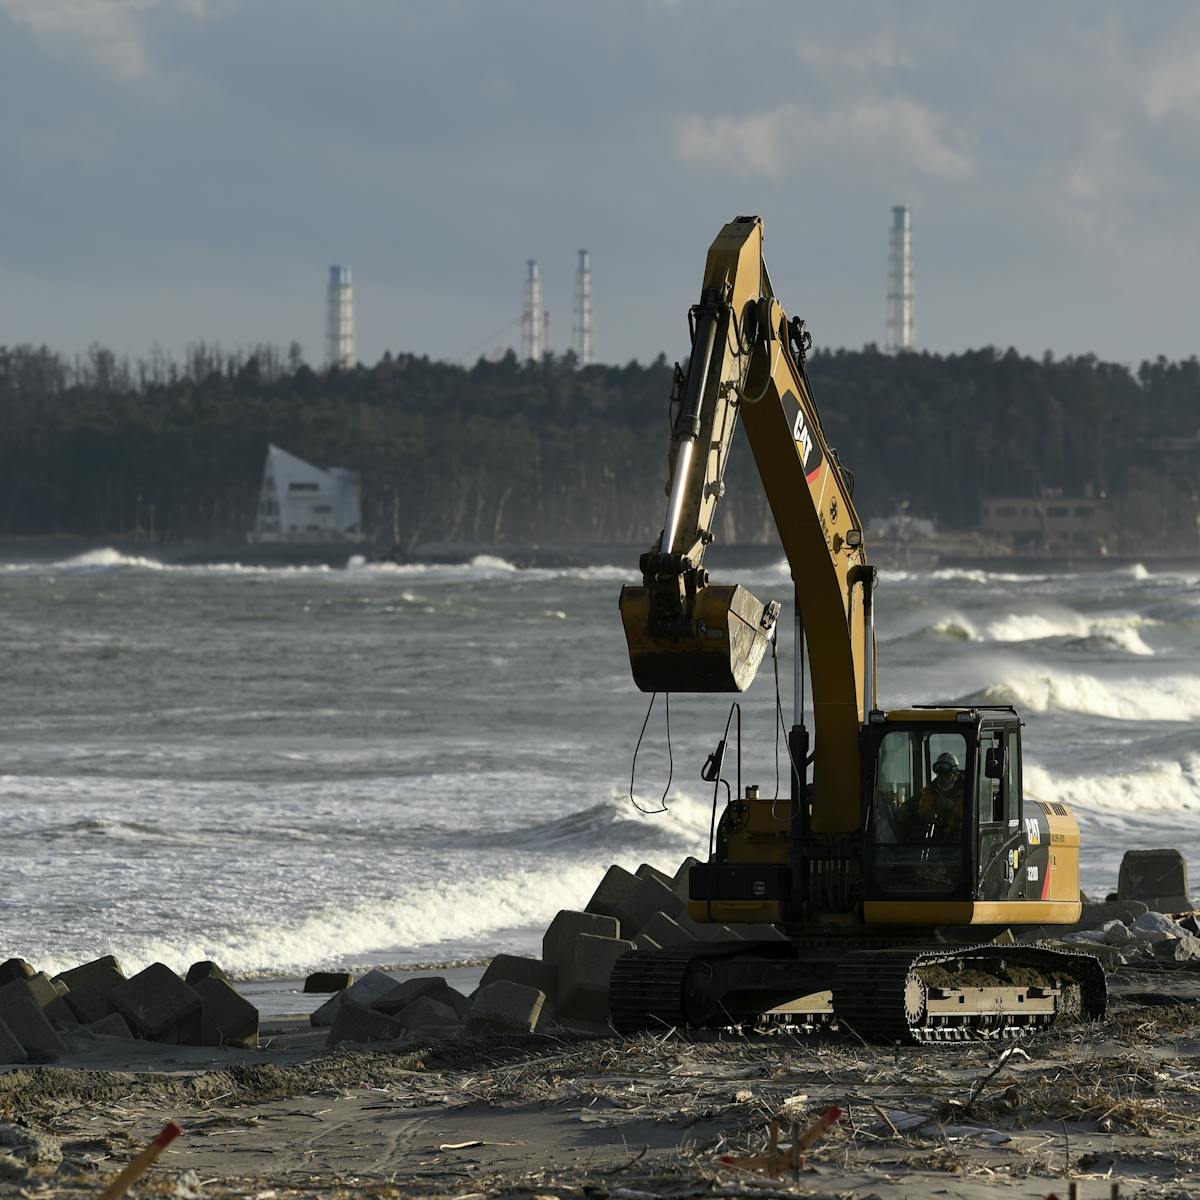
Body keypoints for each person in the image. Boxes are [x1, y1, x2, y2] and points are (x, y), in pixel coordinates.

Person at [919, 751, 964, 840]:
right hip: (935, 839)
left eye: (947, 775)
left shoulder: (967, 792)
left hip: (961, 841)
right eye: (940, 774)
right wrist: (927, 815)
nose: (942, 778)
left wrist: (952, 807)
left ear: (955, 775)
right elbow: (922, 811)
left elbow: (972, 816)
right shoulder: (929, 792)